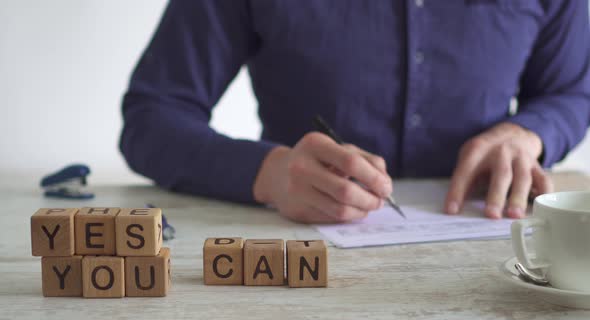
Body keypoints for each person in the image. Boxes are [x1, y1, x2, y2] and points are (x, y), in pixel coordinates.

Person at [120, 0, 590, 223]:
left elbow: (572, 92)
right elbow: (153, 114)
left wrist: (528, 132)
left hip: (497, 251)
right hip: (300, 256)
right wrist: (269, 174)